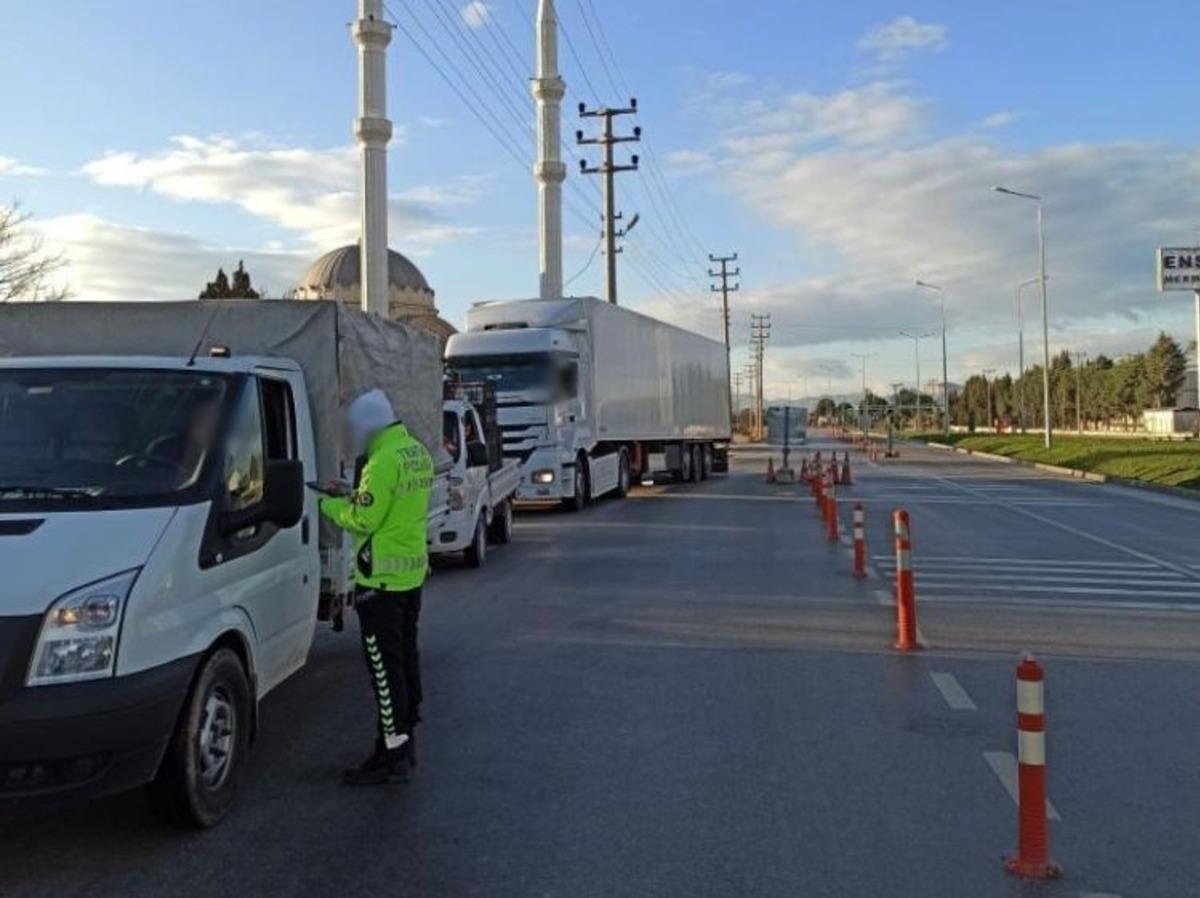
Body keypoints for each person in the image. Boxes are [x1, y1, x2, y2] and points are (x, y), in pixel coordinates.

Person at [318, 389, 434, 786]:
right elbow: (389, 506)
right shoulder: (413, 450)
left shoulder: (381, 461)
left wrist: (328, 506)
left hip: (379, 583)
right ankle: (406, 736)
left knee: (384, 673)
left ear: (369, 425)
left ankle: (392, 756)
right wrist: (351, 492)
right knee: (405, 658)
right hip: (409, 578)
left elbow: (364, 520)